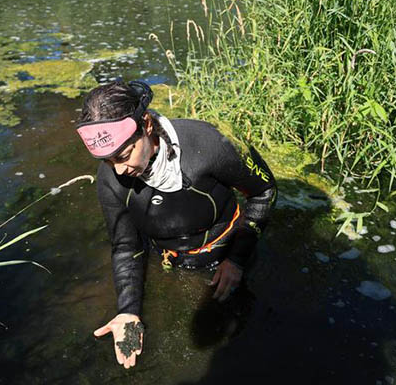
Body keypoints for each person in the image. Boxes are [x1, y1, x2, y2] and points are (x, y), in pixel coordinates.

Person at [75, 80, 276, 369]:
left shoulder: (209, 143)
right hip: (169, 262)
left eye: (123, 156)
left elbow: (264, 191)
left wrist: (236, 260)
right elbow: (126, 247)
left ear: (145, 124)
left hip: (231, 254)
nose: (118, 170)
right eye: (107, 161)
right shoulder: (110, 180)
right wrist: (128, 313)